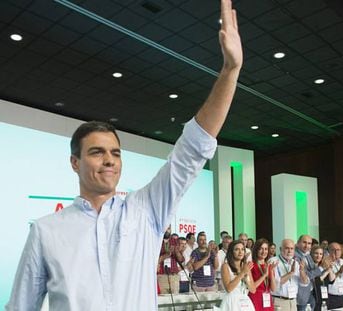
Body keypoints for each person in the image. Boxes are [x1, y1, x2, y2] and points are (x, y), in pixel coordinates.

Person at [6, 1, 243, 309]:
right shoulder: (46, 232)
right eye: (96, 152)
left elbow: (193, 149)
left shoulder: (145, 211)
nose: (109, 160)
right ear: (74, 163)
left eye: (115, 153)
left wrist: (230, 70)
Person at [218, 241, 256, 311]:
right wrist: (242, 273)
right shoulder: (225, 266)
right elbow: (229, 289)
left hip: (245, 302)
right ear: (231, 252)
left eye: (242, 249)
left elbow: (253, 290)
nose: (240, 252)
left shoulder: (246, 267)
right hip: (232, 302)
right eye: (237, 249)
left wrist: (246, 278)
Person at [271, 239, 309, 311]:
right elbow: (275, 284)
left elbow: (305, 283)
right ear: (280, 249)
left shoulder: (296, 262)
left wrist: (301, 271)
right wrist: (290, 273)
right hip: (279, 301)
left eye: (292, 249)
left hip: (293, 301)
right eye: (287, 248)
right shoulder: (273, 261)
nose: (289, 251)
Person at [248, 238, 277, 310]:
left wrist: (271, 272)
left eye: (266, 249)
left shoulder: (269, 265)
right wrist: (264, 275)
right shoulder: (251, 265)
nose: (264, 251)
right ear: (256, 250)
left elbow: (273, 289)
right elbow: (252, 288)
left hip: (267, 299)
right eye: (261, 249)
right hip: (255, 298)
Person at [295, 234, 321, 311]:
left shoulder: (307, 255)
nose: (307, 245)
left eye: (309, 243)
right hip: (301, 295)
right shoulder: (295, 256)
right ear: (298, 242)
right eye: (304, 242)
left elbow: (315, 272)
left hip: (311, 292)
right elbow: (307, 275)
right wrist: (321, 268)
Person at [310, 245, 335, 311]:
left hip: (324, 298)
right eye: (316, 253)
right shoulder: (310, 267)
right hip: (314, 298)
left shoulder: (324, 266)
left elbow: (332, 280)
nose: (318, 256)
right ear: (311, 254)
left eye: (321, 254)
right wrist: (326, 272)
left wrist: (330, 268)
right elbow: (316, 281)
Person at [327, 242, 343, 309]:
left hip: (341, 294)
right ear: (329, 251)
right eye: (333, 250)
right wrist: (339, 272)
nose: (336, 252)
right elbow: (330, 279)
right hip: (330, 295)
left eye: (338, 250)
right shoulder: (326, 262)